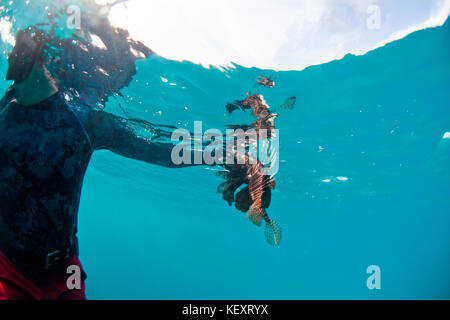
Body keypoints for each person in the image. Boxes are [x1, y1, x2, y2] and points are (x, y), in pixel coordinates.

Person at [0, 28, 244, 300]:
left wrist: (221, 154)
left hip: (64, 273)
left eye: (19, 51)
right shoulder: (5, 113)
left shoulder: (84, 121)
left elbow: (155, 151)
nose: (12, 56)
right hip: (9, 271)